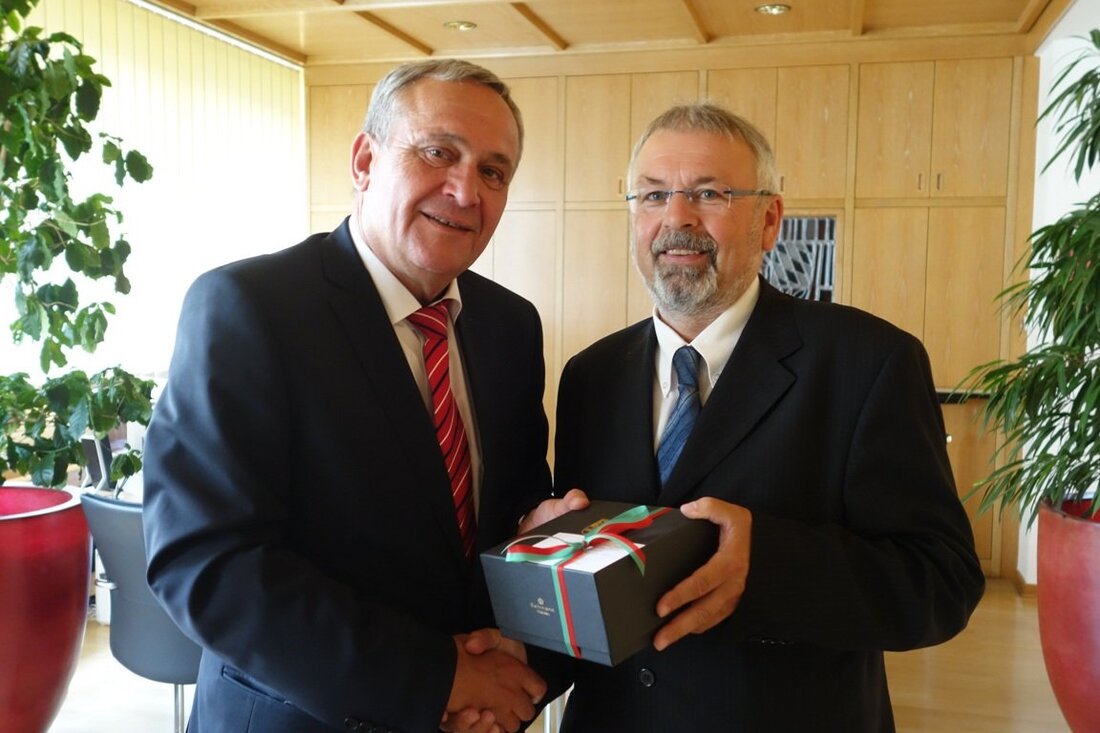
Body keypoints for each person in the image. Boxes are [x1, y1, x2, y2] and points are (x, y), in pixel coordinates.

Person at [142, 59, 565, 733]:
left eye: (494, 170)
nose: (465, 190)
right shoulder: (249, 308)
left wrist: (542, 538)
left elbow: (509, 509)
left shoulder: (512, 325)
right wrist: (438, 679)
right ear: (366, 160)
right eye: (438, 152)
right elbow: (209, 562)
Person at [543, 103, 986, 731]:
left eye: (709, 193)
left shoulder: (870, 361)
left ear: (769, 219)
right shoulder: (590, 374)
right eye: (652, 195)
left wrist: (769, 568)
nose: (677, 219)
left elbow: (941, 585)